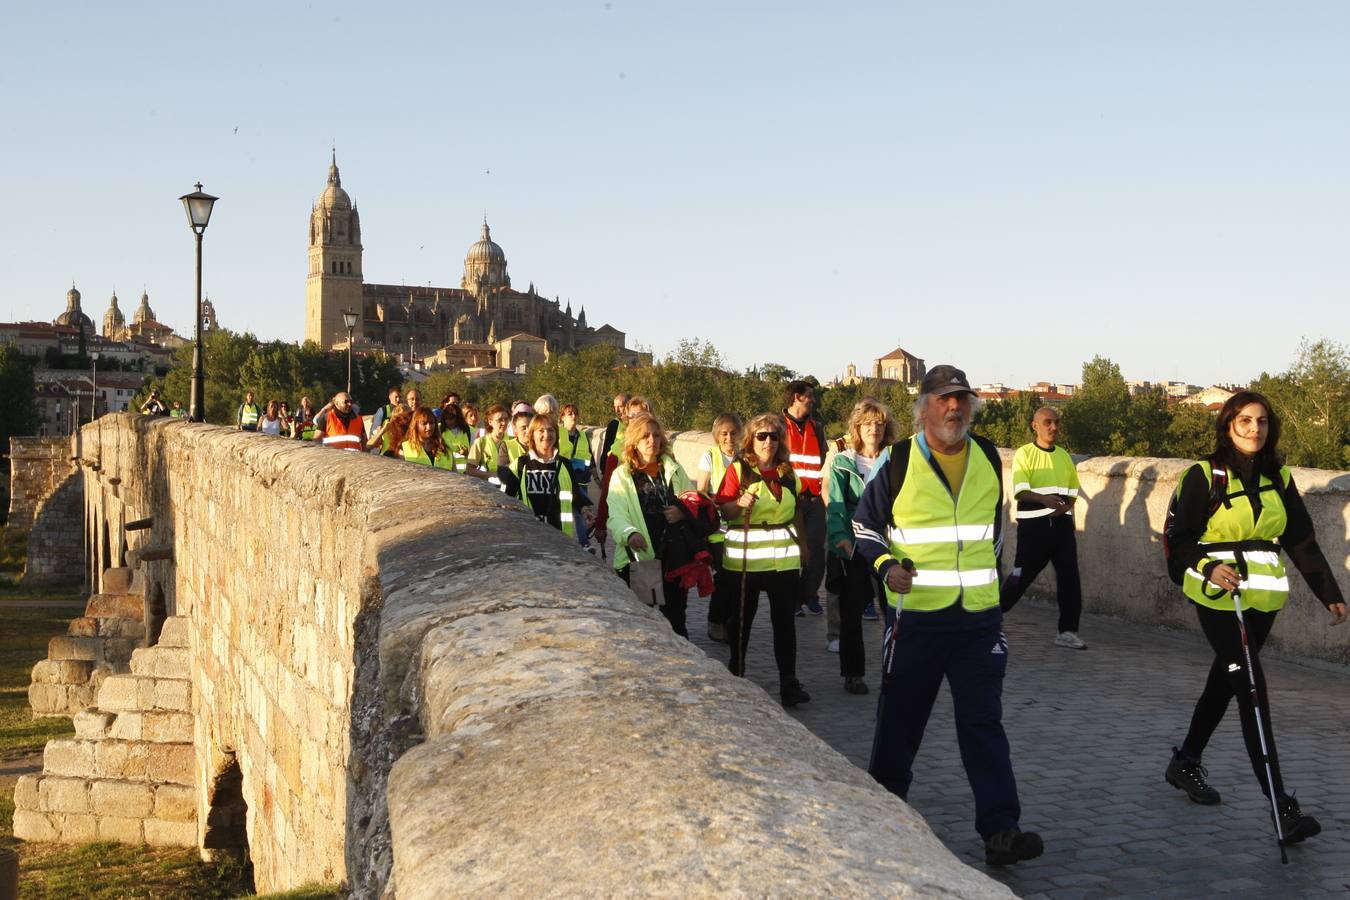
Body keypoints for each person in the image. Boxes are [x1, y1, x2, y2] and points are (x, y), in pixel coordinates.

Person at [852, 364, 1042, 866]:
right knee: (899, 724)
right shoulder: (896, 461)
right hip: (916, 620)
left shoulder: (984, 455)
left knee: (983, 724)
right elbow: (864, 527)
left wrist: (995, 596)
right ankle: (884, 817)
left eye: (961, 399)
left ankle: (1002, 830)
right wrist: (886, 565)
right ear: (924, 408)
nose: (954, 408)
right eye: (944, 399)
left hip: (978, 622)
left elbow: (995, 533)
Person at [1162, 391, 1344, 843]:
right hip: (1217, 596)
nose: (1254, 429)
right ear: (1227, 425)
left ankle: (1185, 761)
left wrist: (1330, 594)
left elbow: (1300, 539)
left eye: (1261, 421)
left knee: (1226, 681)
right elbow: (1177, 540)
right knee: (1251, 688)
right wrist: (1207, 566)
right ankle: (1282, 807)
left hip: (1261, 601)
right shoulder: (1203, 476)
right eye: (1244, 420)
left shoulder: (1278, 476)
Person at [715, 413, 810, 708]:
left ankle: (788, 684)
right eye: (761, 436)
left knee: (785, 626)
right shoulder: (739, 471)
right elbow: (723, 511)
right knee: (742, 622)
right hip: (746, 562)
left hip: (783, 561)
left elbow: (796, 513)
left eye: (773, 436)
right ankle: (736, 675)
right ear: (751, 440)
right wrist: (738, 503)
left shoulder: (788, 473)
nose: (768, 441)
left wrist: (804, 547)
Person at [825, 398, 897, 695]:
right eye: (868, 424)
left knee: (894, 610)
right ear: (857, 427)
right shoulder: (845, 461)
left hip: (888, 544)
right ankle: (853, 674)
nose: (874, 429)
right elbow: (836, 505)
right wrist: (840, 538)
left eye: (879, 424)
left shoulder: (894, 460)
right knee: (852, 613)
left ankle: (898, 668)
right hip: (854, 545)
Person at [999, 407, 1087, 649]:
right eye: (1047, 422)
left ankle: (1067, 631)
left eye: (1056, 423)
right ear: (1035, 426)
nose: (1053, 427)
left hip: (1061, 527)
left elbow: (1072, 492)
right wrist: (1043, 500)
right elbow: (1021, 491)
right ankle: (992, 616)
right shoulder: (1024, 454)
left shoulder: (1064, 457)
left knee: (1070, 578)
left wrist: (1066, 506)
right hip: (1033, 527)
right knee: (1021, 576)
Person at [607, 412, 692, 637]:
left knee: (676, 622)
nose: (652, 441)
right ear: (634, 441)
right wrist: (630, 533)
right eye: (645, 436)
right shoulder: (622, 475)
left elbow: (692, 501)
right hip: (639, 558)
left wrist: (682, 512)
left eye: (656, 435)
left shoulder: (673, 470)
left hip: (673, 558)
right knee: (641, 626)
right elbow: (615, 516)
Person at [498, 413, 593, 539]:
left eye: (551, 430)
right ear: (532, 435)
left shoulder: (565, 464)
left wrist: (585, 511)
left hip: (561, 536)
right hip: (528, 534)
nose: (547, 435)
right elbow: (507, 499)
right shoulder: (520, 464)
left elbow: (575, 494)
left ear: (557, 435)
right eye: (541, 431)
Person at [782, 380, 830, 629]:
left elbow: (824, 460)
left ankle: (807, 594)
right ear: (797, 397)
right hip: (789, 500)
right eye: (810, 396)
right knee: (792, 553)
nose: (813, 400)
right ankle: (793, 601)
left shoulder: (817, 428)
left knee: (816, 553)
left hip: (814, 499)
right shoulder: (778, 426)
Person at [695, 412, 743, 643]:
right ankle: (715, 621)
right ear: (716, 435)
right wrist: (715, 500)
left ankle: (732, 621)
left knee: (739, 578)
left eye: (733, 433)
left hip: (742, 526)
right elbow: (701, 488)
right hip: (717, 529)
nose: (729, 438)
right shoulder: (710, 456)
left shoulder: (746, 458)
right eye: (724, 433)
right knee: (724, 576)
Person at [558, 403, 594, 548]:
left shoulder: (583, 435)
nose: (573, 416)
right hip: (564, 480)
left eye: (575, 413)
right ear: (562, 417)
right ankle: (563, 540)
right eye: (569, 413)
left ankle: (584, 543)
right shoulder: (558, 434)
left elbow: (590, 457)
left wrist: (594, 476)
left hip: (581, 481)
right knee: (563, 512)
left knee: (580, 512)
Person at [467, 404, 510, 488]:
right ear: (490, 421)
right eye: (500, 420)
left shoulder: (512, 440)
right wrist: (491, 474)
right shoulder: (481, 442)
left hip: (510, 487)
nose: (504, 423)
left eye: (506, 419)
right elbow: (469, 470)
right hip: (489, 489)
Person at [438, 403, 473, 473]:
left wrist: (467, 453)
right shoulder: (440, 429)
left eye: (451, 418)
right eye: (446, 418)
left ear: (458, 417)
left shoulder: (467, 430)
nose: (448, 421)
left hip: (465, 473)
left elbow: (475, 454)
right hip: (446, 471)